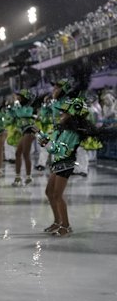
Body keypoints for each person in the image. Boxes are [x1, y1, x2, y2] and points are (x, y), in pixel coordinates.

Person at [37, 97, 93, 236]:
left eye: (64, 112)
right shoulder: (63, 128)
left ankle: (66, 226)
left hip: (65, 164)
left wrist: (47, 144)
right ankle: (57, 222)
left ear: (73, 115)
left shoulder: (74, 133)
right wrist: (42, 136)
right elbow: (52, 143)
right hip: (57, 162)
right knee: (49, 192)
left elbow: (62, 150)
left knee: (57, 195)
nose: (61, 114)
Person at [9, 89, 36, 186]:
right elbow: (13, 115)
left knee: (25, 154)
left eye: (20, 97)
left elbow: (21, 114)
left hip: (29, 130)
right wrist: (10, 108)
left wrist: (16, 104)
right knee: (18, 153)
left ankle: (28, 177)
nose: (18, 98)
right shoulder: (19, 106)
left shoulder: (29, 108)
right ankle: (18, 177)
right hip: (24, 131)